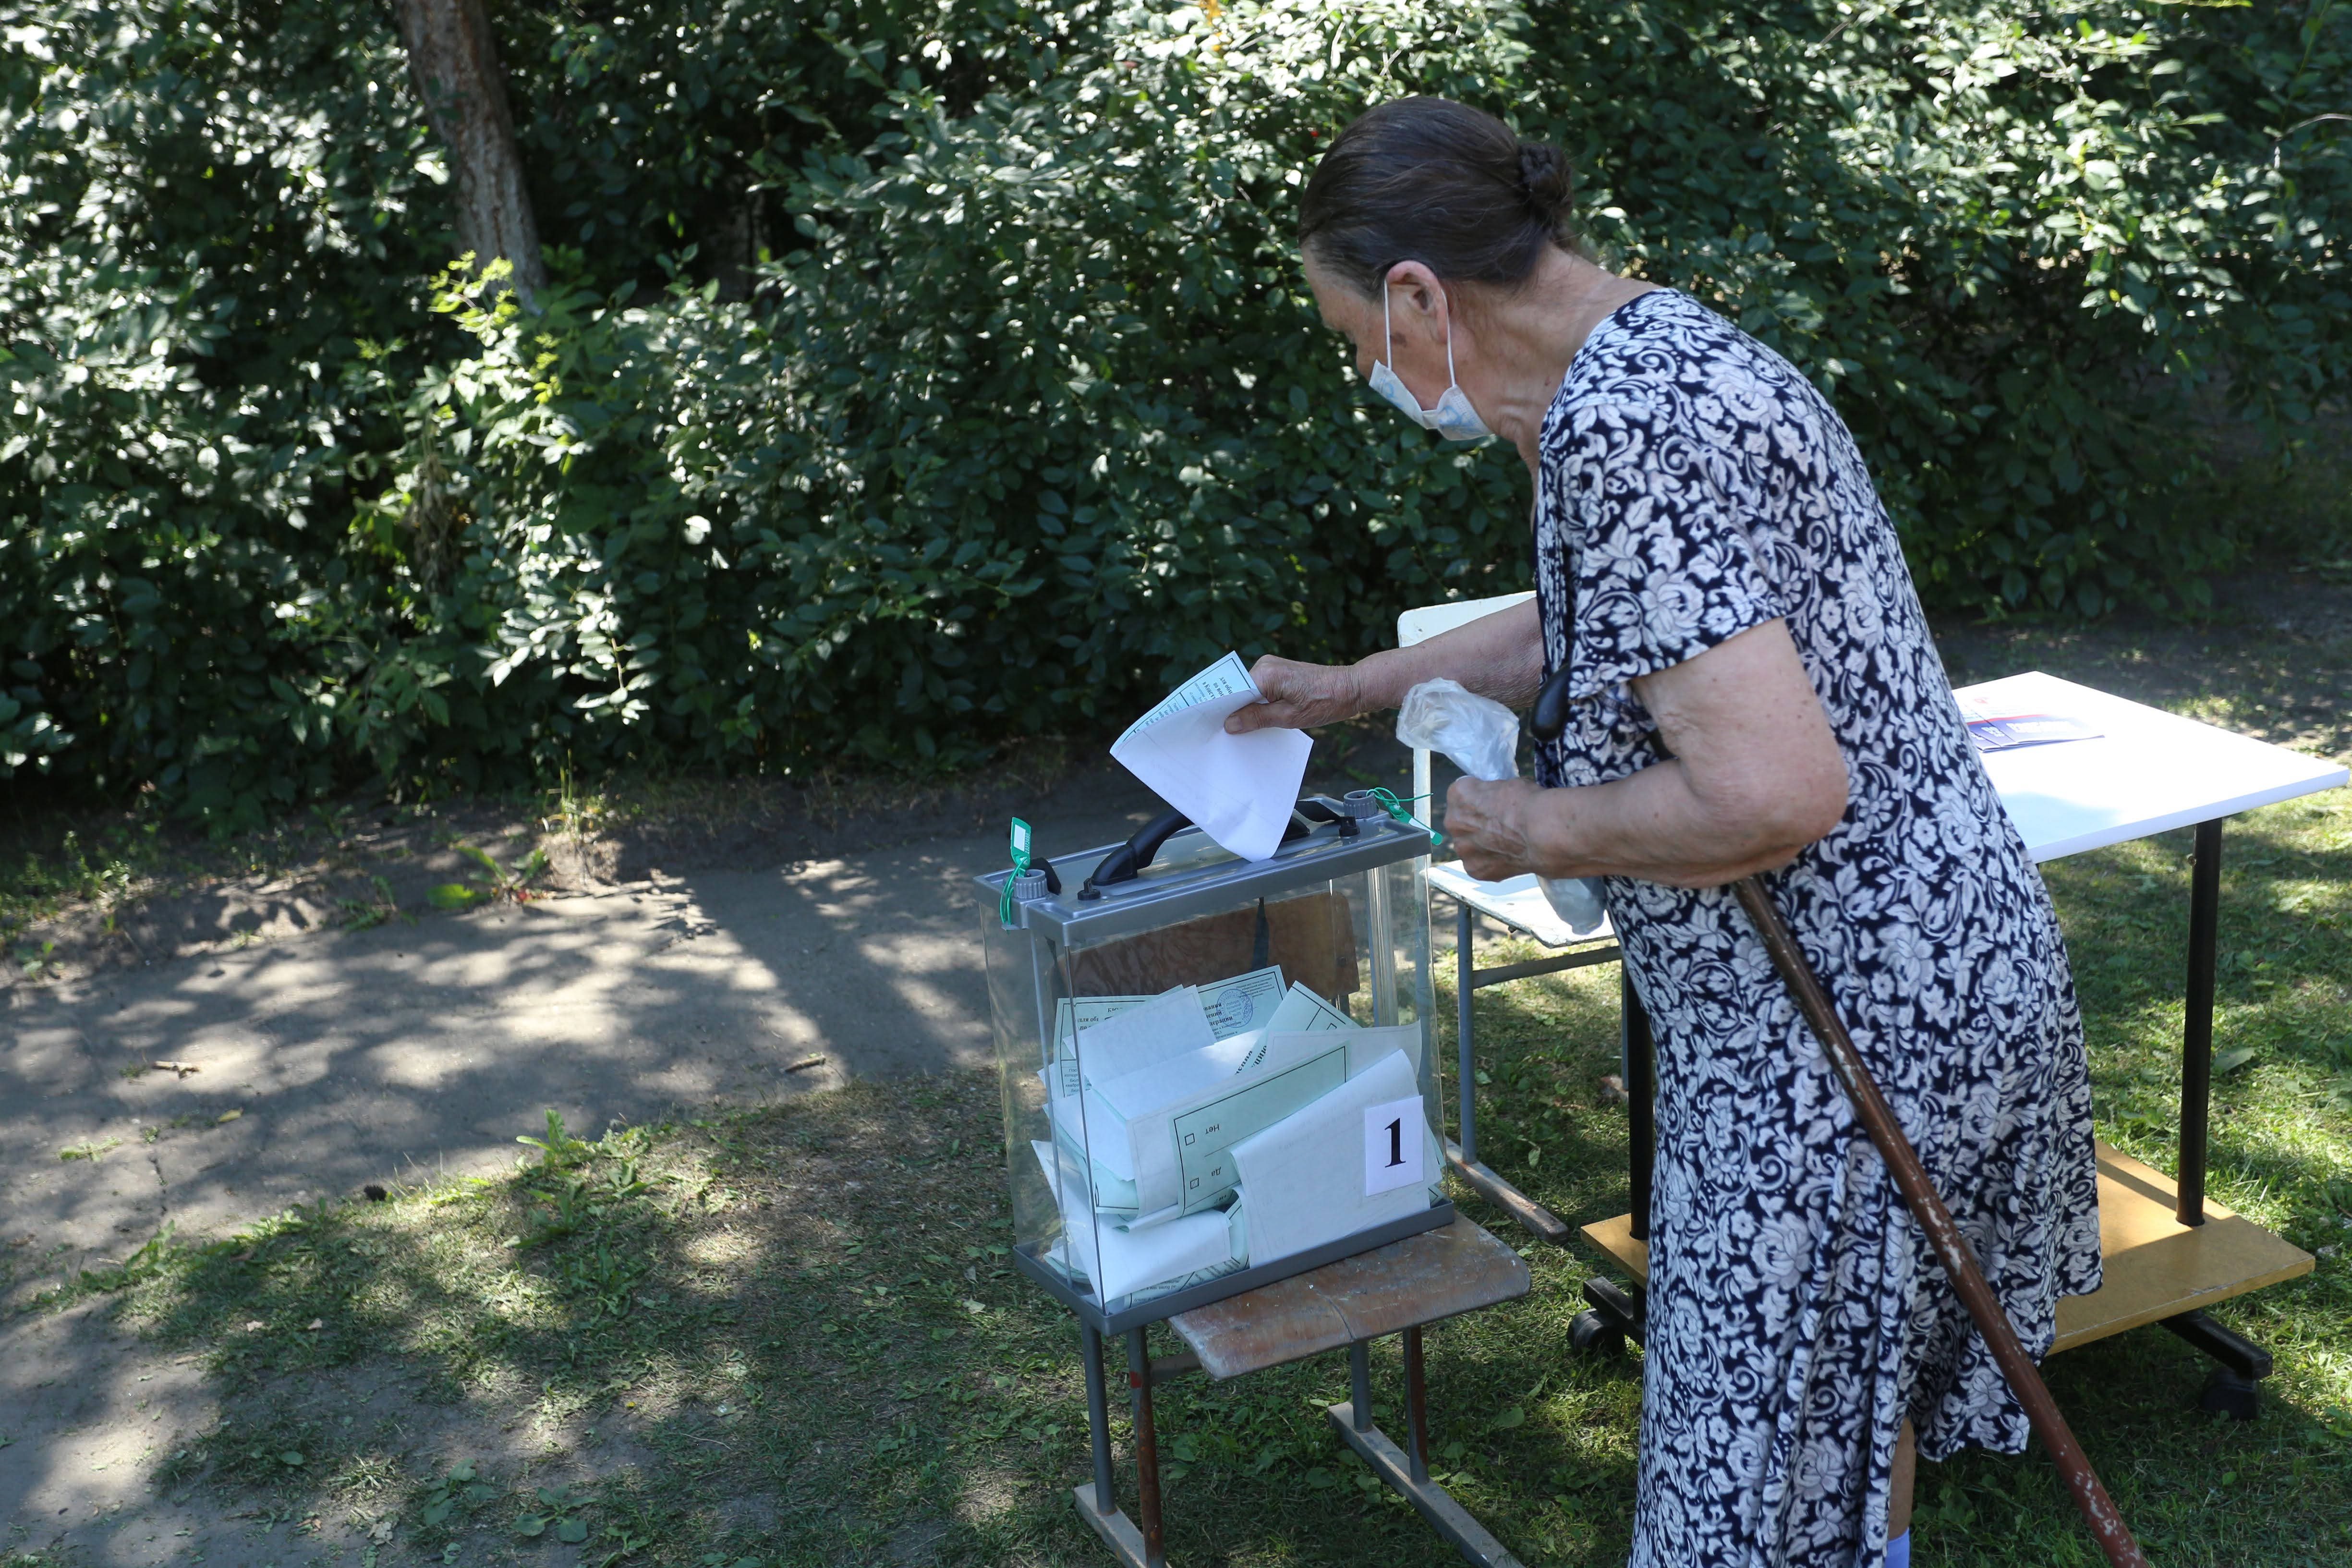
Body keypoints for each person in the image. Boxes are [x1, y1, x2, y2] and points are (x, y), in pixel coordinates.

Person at [1225, 97, 2102, 1568]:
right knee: (1838, 1437)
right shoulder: (1657, 353)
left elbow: (1769, 794)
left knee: (1732, 1515)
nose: (1365, 373)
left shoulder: (1625, 424)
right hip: (1941, 982)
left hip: (1834, 1045)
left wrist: (1535, 825)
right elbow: (1611, 616)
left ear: (1418, 296)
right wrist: (1361, 685)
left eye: (1351, 339)